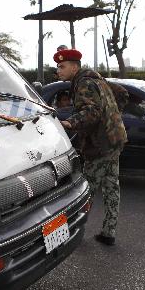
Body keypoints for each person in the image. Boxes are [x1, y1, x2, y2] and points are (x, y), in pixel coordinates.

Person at [55, 49, 127, 246]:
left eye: (62, 67)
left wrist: (71, 122)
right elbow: (122, 93)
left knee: (85, 190)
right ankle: (109, 232)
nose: (58, 71)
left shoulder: (84, 82)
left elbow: (91, 111)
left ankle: (72, 234)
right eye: (57, 67)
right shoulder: (97, 78)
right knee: (111, 186)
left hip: (101, 144)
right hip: (114, 139)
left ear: (74, 67)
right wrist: (112, 118)